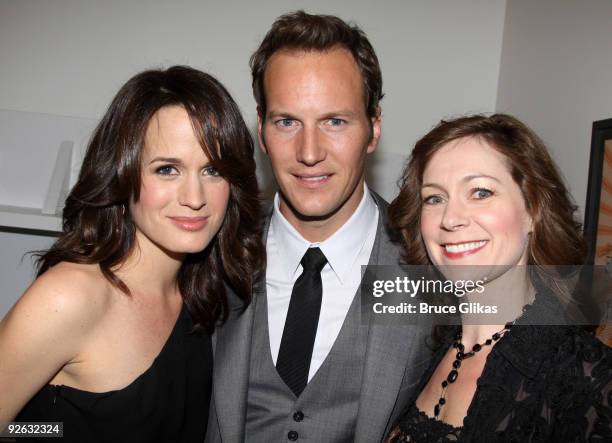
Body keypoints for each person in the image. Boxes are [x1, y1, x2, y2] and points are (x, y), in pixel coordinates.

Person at [0, 66, 264, 442]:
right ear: (122, 174)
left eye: (213, 170)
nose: (195, 198)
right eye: (167, 169)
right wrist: (54, 434)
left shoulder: (205, 293)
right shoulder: (69, 297)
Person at [205, 11, 431, 443]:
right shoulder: (210, 252)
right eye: (287, 121)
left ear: (374, 128)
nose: (309, 152)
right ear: (262, 130)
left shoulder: (428, 265)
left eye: (335, 121)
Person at [386, 114, 612, 441]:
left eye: (480, 192)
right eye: (434, 198)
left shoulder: (589, 383)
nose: (450, 218)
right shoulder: (423, 353)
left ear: (533, 210)